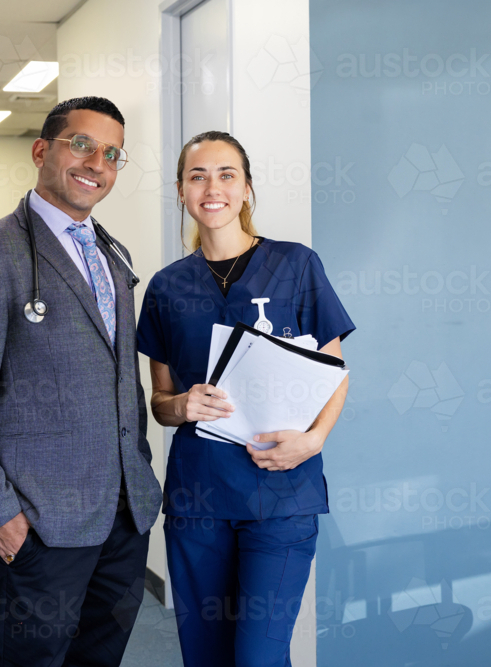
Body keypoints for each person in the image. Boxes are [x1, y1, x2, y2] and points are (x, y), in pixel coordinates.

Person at [0, 96, 163, 667]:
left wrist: (140, 481)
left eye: (112, 154)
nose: (97, 163)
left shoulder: (114, 254)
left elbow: (121, 380)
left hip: (123, 514)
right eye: (81, 144)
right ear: (42, 150)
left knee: (98, 658)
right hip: (40, 519)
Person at [136, 131, 355, 666]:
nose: (213, 188)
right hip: (199, 500)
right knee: (206, 656)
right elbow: (159, 399)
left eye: (226, 174)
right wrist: (181, 405)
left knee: (258, 656)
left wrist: (313, 440)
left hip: (281, 495)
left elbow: (335, 372)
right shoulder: (167, 288)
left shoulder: (296, 266)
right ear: (182, 191)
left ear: (247, 189)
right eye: (197, 176)